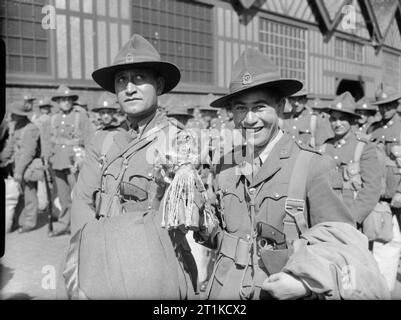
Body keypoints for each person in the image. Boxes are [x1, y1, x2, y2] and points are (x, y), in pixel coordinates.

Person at [195, 48, 389, 300]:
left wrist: (305, 284)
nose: (249, 118)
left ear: (281, 106)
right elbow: (224, 237)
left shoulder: (312, 166)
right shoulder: (224, 165)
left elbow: (345, 249)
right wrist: (199, 222)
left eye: (260, 107)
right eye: (241, 108)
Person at [64, 34, 205, 299]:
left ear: (159, 85)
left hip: (155, 270)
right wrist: (84, 264)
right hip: (103, 263)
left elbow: (190, 216)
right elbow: (83, 201)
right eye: (121, 80)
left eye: (139, 78)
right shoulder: (103, 141)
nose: (129, 88)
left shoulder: (180, 141)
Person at [318, 92, 381, 225]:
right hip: (324, 217)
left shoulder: (363, 147)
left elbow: (372, 189)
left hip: (352, 218)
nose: (337, 123)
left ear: (352, 121)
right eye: (334, 119)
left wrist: (354, 218)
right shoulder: (324, 147)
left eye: (342, 119)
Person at [42, 85, 94, 237]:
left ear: (72, 101)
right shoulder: (52, 119)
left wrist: (87, 159)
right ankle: (65, 224)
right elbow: (46, 140)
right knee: (63, 196)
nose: (65, 102)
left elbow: (89, 139)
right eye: (62, 99)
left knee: (79, 195)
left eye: (68, 99)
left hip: (75, 162)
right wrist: (46, 157)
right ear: (57, 102)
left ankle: (82, 226)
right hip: (57, 161)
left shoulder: (81, 116)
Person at [0, 102, 41, 233]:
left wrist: (19, 171)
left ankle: (29, 223)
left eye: (14, 114)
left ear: (21, 115)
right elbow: (10, 147)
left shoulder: (30, 129)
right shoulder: (17, 126)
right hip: (18, 166)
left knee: (30, 196)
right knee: (21, 196)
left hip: (27, 168)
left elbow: (29, 153)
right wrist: (2, 159)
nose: (11, 115)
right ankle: (20, 220)